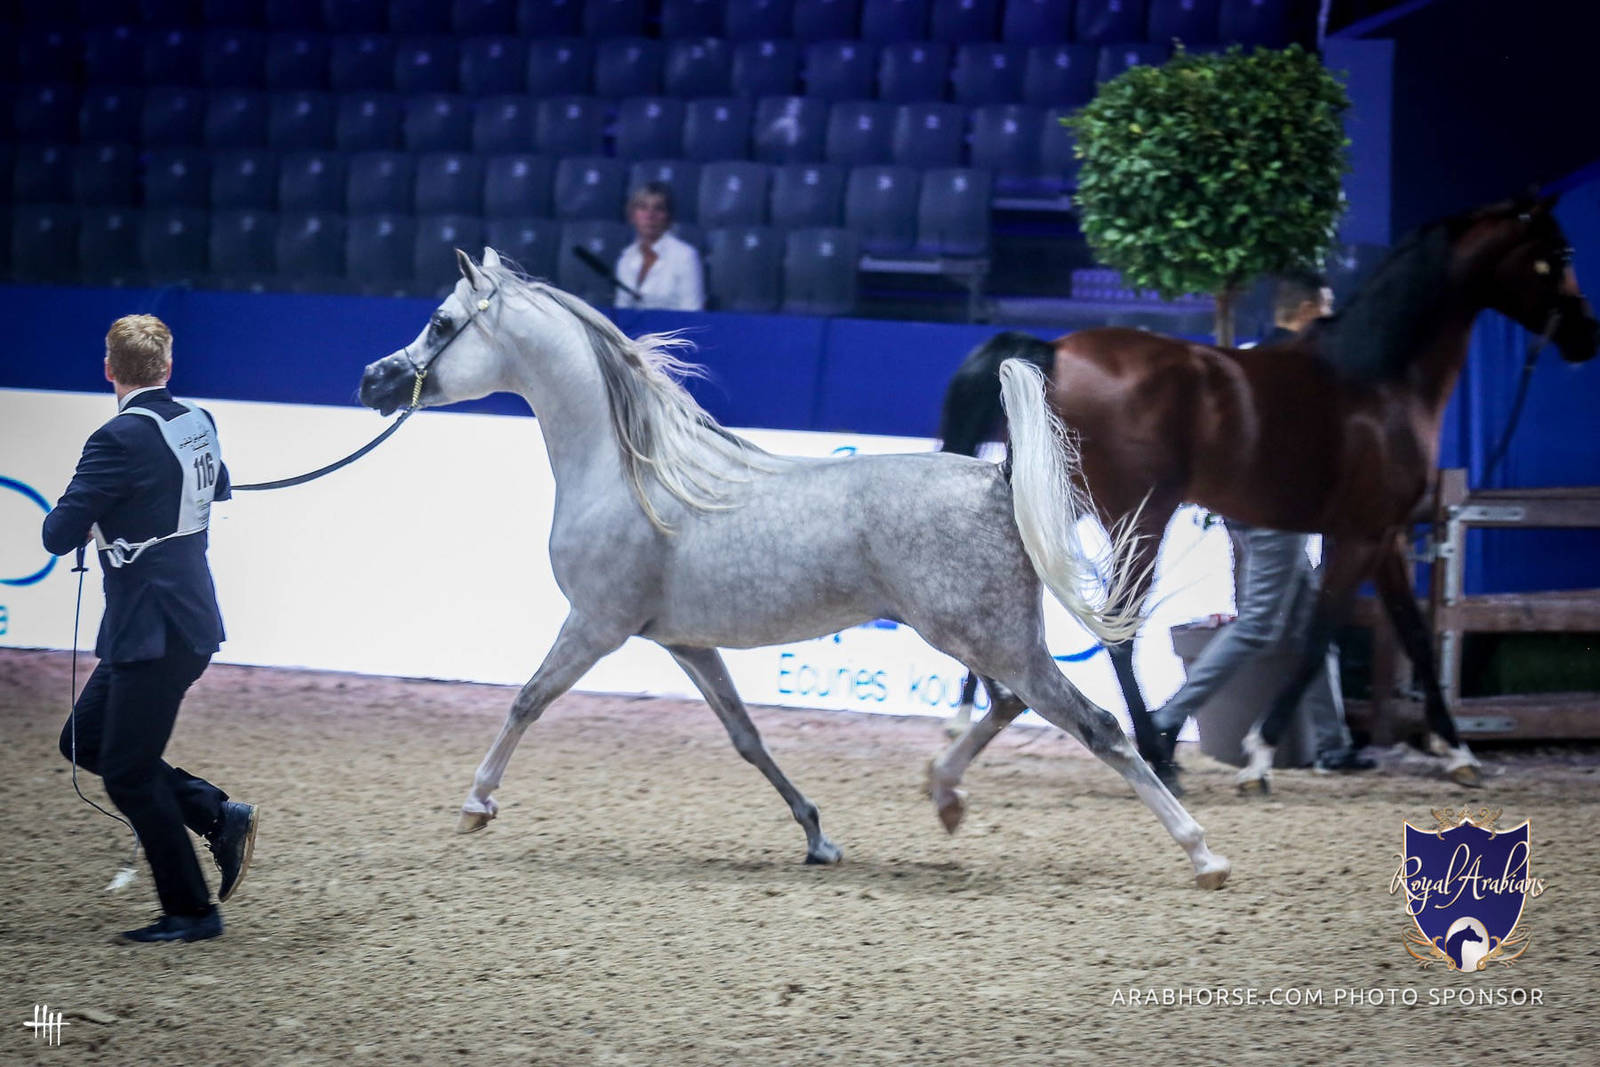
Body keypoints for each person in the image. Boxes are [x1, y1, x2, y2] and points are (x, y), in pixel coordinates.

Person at [42, 314, 258, 944]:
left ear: (108, 369)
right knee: (84, 741)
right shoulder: (199, 422)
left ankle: (191, 911)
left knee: (128, 772)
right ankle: (215, 812)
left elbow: (56, 534)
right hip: (178, 623)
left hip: (152, 632)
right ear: (168, 368)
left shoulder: (115, 440)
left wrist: (97, 515)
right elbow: (213, 489)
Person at [1152, 272, 1376, 774]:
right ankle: (1166, 718)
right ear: (1309, 309)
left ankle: (1332, 745)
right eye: (1328, 306)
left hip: (1248, 508)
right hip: (1280, 509)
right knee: (1257, 626)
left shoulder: (1248, 361)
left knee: (1307, 628)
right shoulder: (1306, 365)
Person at [614, 181, 705, 311]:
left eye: (658, 208)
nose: (650, 215)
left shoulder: (685, 256)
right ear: (632, 216)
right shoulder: (625, 258)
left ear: (668, 218)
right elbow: (621, 310)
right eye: (643, 207)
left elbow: (693, 311)